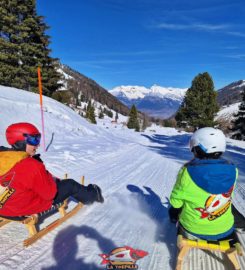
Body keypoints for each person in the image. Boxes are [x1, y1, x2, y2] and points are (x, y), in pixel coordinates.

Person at [0, 122, 104, 218]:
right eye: (33, 140)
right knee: (70, 184)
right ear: (19, 142)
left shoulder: (3, 156)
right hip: (19, 209)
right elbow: (49, 194)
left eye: (38, 139)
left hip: (2, 208)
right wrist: (43, 171)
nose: (38, 145)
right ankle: (93, 195)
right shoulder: (32, 165)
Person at [169, 127, 244, 241]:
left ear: (198, 149)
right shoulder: (234, 170)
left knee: (175, 207)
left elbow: (176, 202)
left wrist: (174, 212)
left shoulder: (187, 172)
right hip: (224, 230)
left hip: (193, 230)